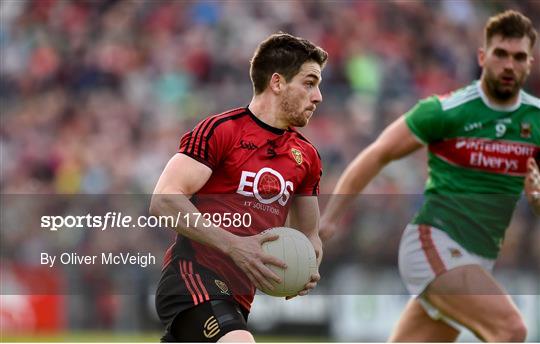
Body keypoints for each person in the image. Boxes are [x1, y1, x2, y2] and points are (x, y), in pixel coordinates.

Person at [320, 10, 539, 342]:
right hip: (433, 243)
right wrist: (331, 218)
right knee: (511, 329)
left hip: (478, 258)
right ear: (482, 56)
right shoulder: (446, 111)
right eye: (501, 54)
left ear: (529, 62)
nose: (509, 64)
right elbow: (378, 153)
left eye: (519, 56)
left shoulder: (535, 121)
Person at [150, 33, 327, 342]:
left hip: (239, 295)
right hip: (193, 275)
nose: (318, 96)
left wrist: (306, 268)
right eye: (309, 83)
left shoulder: (307, 157)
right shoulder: (221, 131)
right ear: (276, 83)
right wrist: (234, 245)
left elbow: (308, 236)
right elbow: (164, 201)